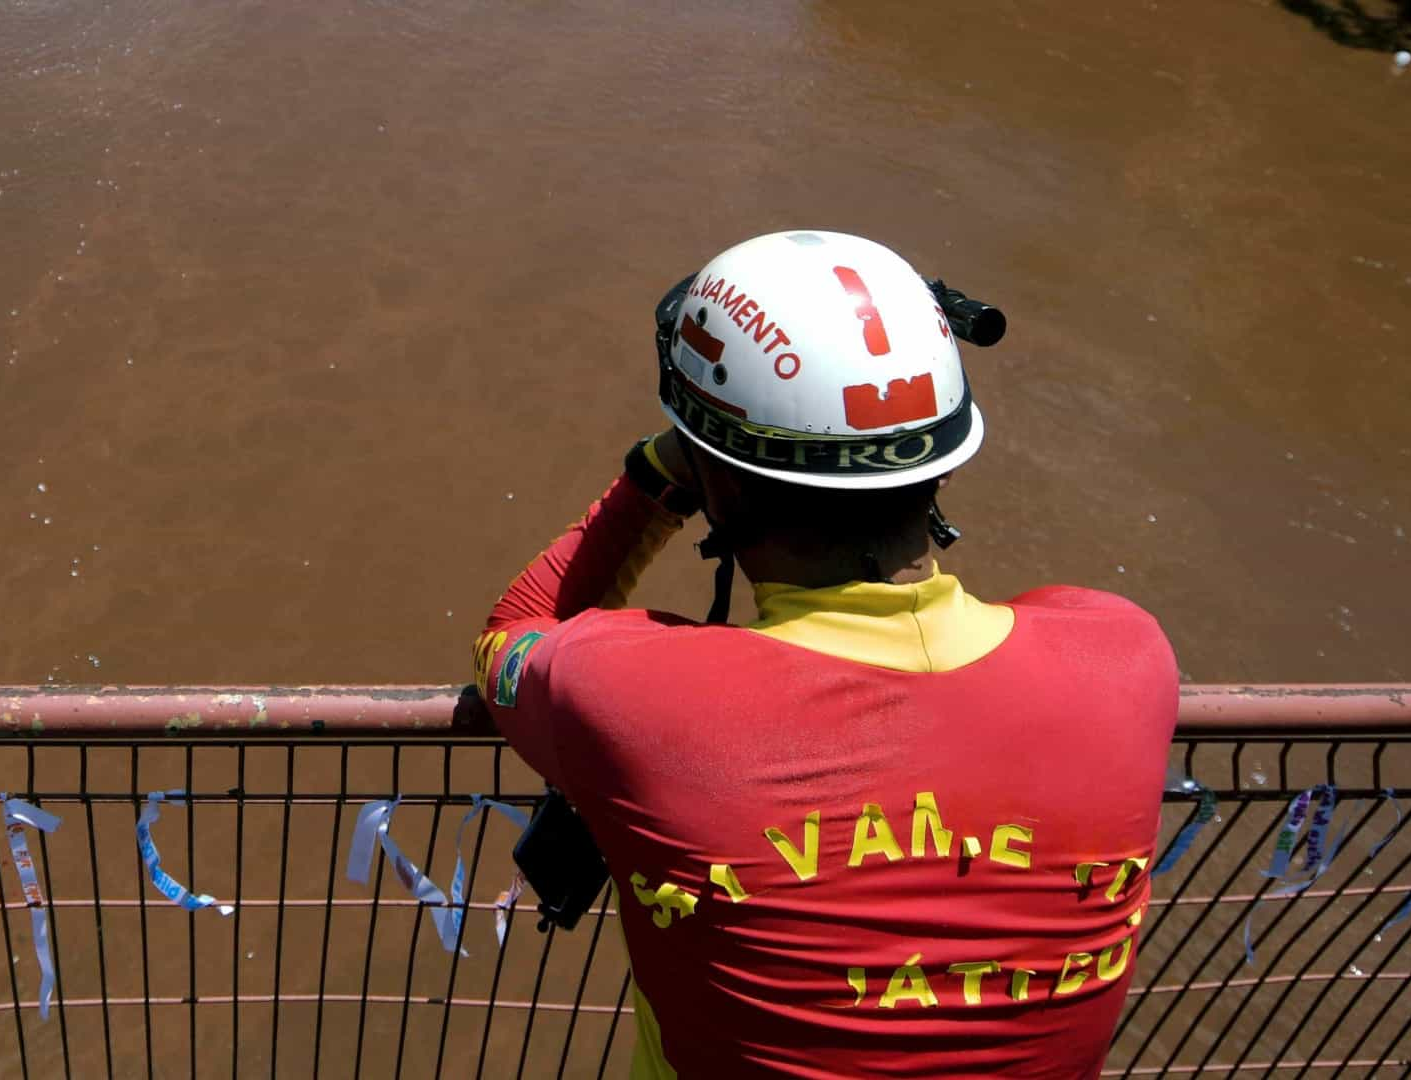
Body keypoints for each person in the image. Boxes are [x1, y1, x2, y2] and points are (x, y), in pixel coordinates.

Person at [473, 230, 1177, 1079]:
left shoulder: (636, 696)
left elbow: (514, 630)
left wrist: (659, 475)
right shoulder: (1125, 661)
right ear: (944, 463)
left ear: (718, 480)